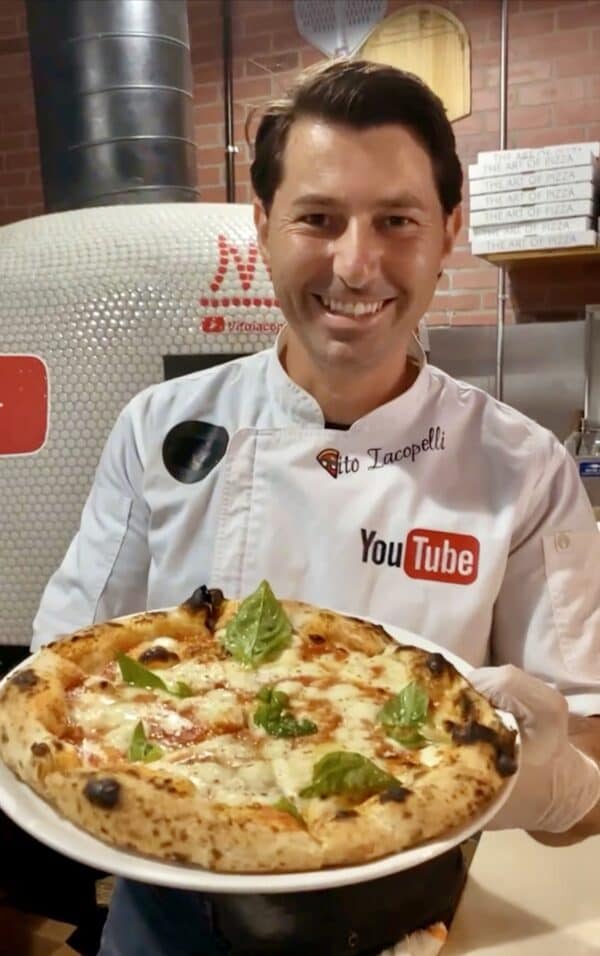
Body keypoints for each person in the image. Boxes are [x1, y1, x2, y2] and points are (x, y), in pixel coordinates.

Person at [31, 60, 600, 956]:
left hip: (412, 914)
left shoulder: (523, 468)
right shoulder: (163, 426)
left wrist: (560, 780)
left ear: (450, 229)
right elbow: (60, 660)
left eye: (398, 221)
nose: (356, 264)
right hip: (166, 907)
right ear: (262, 226)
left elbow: (586, 781)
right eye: (318, 218)